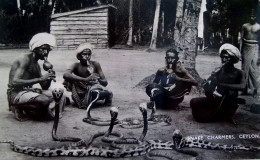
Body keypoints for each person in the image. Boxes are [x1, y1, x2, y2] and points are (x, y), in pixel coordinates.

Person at [7, 33, 66, 121]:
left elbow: (44, 86)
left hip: (28, 92)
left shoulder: (36, 65)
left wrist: (49, 77)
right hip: (15, 93)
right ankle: (17, 107)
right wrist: (40, 79)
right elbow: (14, 82)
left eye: (47, 50)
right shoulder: (25, 58)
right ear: (35, 48)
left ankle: (39, 110)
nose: (45, 52)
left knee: (61, 95)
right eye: (43, 49)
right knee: (45, 101)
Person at [190, 43, 246, 124]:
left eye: (226, 57)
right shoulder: (219, 71)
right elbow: (211, 88)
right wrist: (211, 78)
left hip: (228, 99)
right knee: (193, 102)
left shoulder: (240, 72)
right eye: (222, 57)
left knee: (230, 93)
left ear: (233, 59)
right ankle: (219, 113)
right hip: (216, 99)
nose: (223, 59)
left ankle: (226, 113)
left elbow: (242, 86)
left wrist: (221, 84)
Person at [63, 43, 113, 109]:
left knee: (99, 91)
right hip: (81, 90)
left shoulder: (95, 64)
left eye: (89, 54)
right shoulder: (76, 65)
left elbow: (105, 82)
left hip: (93, 88)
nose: (87, 56)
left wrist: (95, 78)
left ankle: (106, 96)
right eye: (84, 54)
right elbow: (66, 74)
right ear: (79, 56)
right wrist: (85, 79)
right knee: (68, 80)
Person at [240, 9, 260, 96]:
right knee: (245, 69)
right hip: (246, 47)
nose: (252, 17)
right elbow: (241, 39)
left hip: (255, 47)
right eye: (251, 16)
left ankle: (255, 89)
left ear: (256, 17)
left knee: (254, 69)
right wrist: (240, 51)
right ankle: (244, 89)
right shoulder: (244, 26)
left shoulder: (259, 27)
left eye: (254, 16)